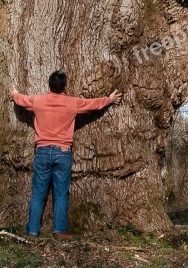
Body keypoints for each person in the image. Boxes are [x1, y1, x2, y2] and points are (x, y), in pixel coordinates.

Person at [10, 70, 122, 239]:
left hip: (42, 151)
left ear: (49, 84)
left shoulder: (38, 101)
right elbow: (93, 104)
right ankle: (59, 231)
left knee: (38, 193)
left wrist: (14, 93)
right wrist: (110, 100)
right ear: (64, 86)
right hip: (62, 153)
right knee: (61, 194)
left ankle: (32, 231)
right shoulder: (72, 103)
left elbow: (21, 100)